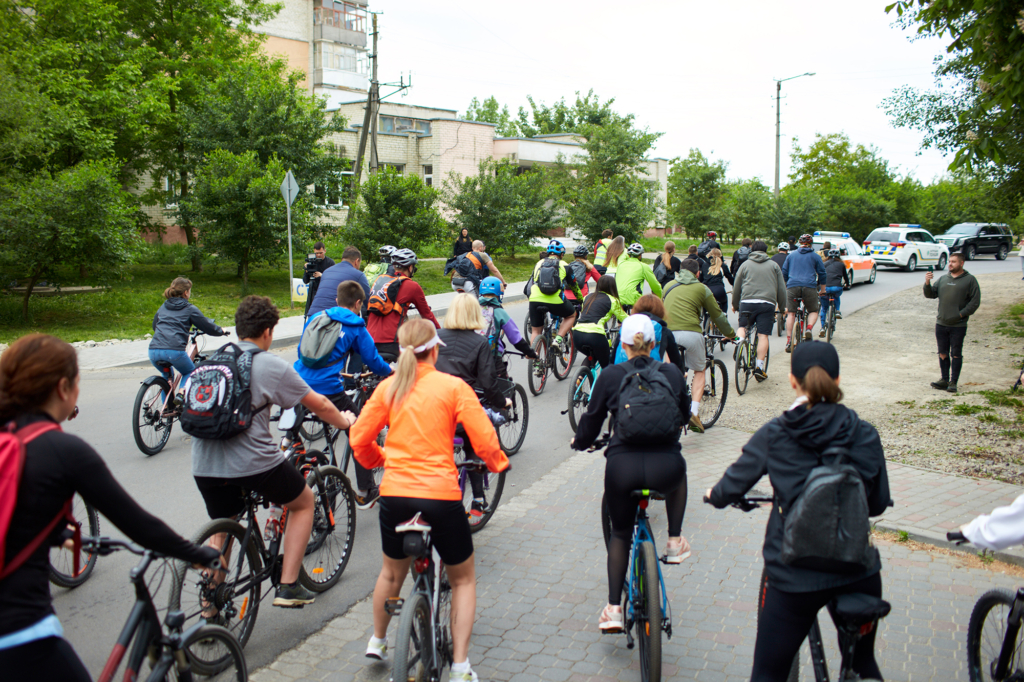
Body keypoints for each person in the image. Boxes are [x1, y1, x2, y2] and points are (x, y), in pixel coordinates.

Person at [0, 334, 222, 682]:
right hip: (20, 635)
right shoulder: (63, 451)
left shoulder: (6, 441)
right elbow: (138, 525)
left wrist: (58, 534)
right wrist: (196, 553)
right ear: (62, 388)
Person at [705, 341, 891, 682]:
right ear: (837, 379)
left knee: (768, 673)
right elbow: (877, 504)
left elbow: (731, 486)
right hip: (857, 569)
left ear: (793, 380)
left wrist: (713, 495)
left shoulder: (776, 433)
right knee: (864, 665)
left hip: (793, 575)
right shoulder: (864, 433)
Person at [351, 319, 509, 681]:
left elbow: (359, 438)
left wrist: (382, 460)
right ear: (435, 350)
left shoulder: (388, 388)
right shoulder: (453, 387)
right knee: (464, 580)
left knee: (391, 573)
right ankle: (461, 666)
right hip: (439, 495)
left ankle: (377, 640)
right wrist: (498, 462)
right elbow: (483, 438)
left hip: (395, 495)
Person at [191, 296, 356, 608]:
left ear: (239, 329)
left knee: (224, 523)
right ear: (267, 332)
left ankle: (210, 607)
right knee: (304, 502)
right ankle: (289, 585)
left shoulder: (214, 359)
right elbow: (318, 403)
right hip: (252, 463)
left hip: (204, 463)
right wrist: (344, 421)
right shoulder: (269, 364)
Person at [570, 315, 691, 633]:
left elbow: (591, 421)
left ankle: (613, 610)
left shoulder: (610, 375)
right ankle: (675, 541)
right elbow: (684, 412)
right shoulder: (671, 373)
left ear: (622, 344)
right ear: (654, 344)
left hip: (622, 468)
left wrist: (579, 442)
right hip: (666, 466)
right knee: (680, 473)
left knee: (621, 534)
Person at [294, 281, 392, 509]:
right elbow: (373, 361)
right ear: (359, 303)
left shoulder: (316, 319)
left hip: (298, 385)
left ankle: (291, 454)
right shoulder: (356, 326)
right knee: (361, 434)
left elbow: (304, 352)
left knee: (291, 432)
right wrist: (390, 371)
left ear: (337, 300)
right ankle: (366, 490)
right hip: (329, 392)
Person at [436, 294, 511, 517]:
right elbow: (488, 383)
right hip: (459, 412)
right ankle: (478, 499)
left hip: (433, 410)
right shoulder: (479, 343)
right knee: (472, 443)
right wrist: (502, 402)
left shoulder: (435, 337)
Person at [663, 258, 737, 433]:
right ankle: (694, 412)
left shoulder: (668, 286)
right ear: (698, 273)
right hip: (692, 334)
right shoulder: (702, 288)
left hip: (669, 335)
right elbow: (717, 315)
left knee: (670, 370)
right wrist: (730, 334)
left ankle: (669, 404)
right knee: (700, 370)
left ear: (679, 271)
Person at [149, 277, 228, 410]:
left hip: (153, 350)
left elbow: (155, 326)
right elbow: (207, 326)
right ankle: (181, 394)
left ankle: (166, 408)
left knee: (166, 377)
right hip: (173, 351)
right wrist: (221, 331)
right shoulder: (189, 308)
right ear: (186, 292)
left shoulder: (163, 306)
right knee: (190, 371)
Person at [367, 248, 441, 361]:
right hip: (391, 343)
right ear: (410, 267)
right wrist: (440, 333)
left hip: (369, 339)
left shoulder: (379, 281)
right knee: (414, 366)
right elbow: (427, 315)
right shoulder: (412, 286)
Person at [924, 252, 981, 393]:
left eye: (954, 262)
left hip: (958, 325)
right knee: (942, 352)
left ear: (961, 263)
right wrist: (927, 282)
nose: (950, 264)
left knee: (956, 353)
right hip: (941, 323)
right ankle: (944, 379)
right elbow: (930, 294)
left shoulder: (970, 280)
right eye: (949, 261)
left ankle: (953, 381)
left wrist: (961, 314)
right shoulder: (943, 279)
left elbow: (975, 302)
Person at [731, 240, 786, 382]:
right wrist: (783, 306)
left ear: (752, 250)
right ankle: (759, 368)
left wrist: (735, 304)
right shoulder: (774, 266)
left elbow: (737, 286)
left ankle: (738, 343)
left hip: (747, 302)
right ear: (766, 250)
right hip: (766, 304)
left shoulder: (745, 265)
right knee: (763, 335)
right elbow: (781, 288)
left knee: (742, 327)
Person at [476, 276, 539, 377]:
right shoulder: (499, 312)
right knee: (504, 388)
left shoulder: (470, 308)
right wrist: (530, 353)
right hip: (491, 358)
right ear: (499, 294)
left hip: (469, 356)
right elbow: (516, 339)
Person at [528, 240, 581, 351]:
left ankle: (535, 361)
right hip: (555, 300)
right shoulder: (565, 265)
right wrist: (580, 298)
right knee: (571, 315)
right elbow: (574, 285)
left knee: (536, 331)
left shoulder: (539, 263)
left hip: (535, 299)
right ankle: (558, 339)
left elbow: (532, 281)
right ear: (561, 254)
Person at [781, 234, 826, 353]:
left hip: (792, 286)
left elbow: (784, 272)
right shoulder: (815, 256)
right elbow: (822, 273)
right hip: (809, 286)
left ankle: (789, 341)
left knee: (791, 313)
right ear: (811, 244)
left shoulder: (791, 255)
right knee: (813, 310)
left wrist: (787, 285)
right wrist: (822, 289)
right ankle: (809, 329)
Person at [572, 275, 627, 369]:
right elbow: (625, 319)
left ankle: (579, 379)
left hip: (577, 334)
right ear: (613, 287)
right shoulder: (613, 300)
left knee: (594, 356)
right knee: (607, 367)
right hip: (594, 335)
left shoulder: (588, 297)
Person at [613, 294, 682, 366]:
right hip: (653, 374)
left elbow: (612, 359)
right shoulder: (663, 331)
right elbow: (677, 362)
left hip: (622, 372)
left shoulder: (626, 327)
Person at [309, 246, 371, 319]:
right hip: (333, 317)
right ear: (357, 261)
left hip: (313, 316)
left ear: (342, 259)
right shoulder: (359, 275)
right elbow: (369, 302)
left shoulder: (326, 271)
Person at [615, 242, 662, 311]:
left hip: (617, 298)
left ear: (629, 255)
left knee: (621, 319)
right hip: (633, 299)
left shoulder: (620, 265)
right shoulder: (643, 266)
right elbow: (655, 285)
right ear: (640, 256)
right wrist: (659, 297)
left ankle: (620, 322)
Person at [818, 249, 851, 337]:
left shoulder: (824, 264)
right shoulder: (841, 264)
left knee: (824, 308)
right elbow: (845, 277)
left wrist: (817, 286)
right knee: (836, 296)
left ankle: (822, 327)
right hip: (836, 287)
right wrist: (847, 284)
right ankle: (837, 311)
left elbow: (820, 276)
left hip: (825, 288)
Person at [302, 242, 336, 317]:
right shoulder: (311, 263)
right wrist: (307, 271)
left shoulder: (330, 263)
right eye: (317, 253)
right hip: (313, 292)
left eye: (321, 252)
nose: (319, 255)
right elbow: (305, 281)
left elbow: (334, 279)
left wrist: (322, 275)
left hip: (326, 293)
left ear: (325, 251)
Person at [705, 247, 733, 314]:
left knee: (705, 309)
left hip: (707, 291)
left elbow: (700, 280)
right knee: (724, 303)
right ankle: (724, 317)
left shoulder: (705, 265)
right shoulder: (723, 265)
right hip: (719, 290)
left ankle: (706, 321)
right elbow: (730, 278)